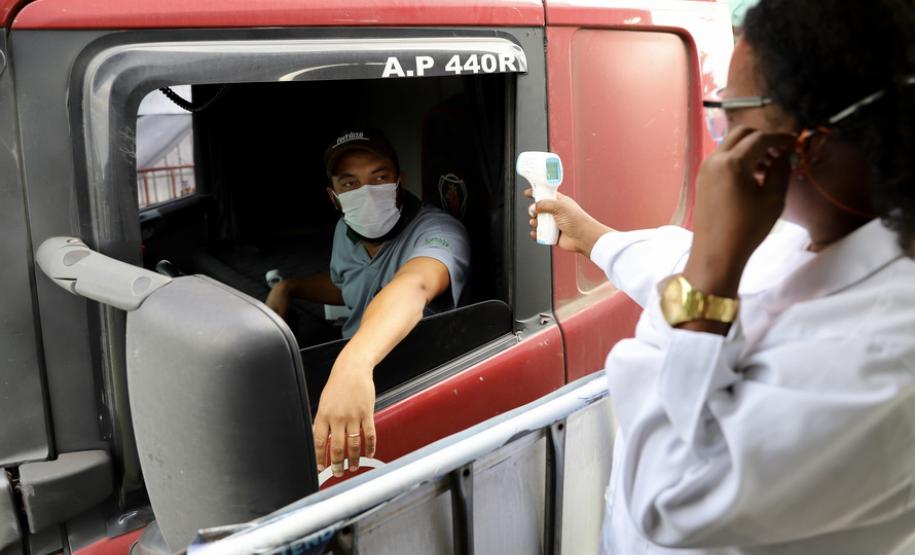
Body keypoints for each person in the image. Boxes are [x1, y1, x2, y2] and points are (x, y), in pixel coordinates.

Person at [529, 1, 915, 552]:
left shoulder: (885, 355)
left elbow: (668, 498)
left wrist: (708, 278)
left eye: (731, 112)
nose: (720, 133)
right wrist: (594, 236)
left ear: (807, 144)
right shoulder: (808, 236)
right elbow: (677, 263)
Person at [266, 129, 470, 478]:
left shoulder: (438, 231)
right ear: (334, 197)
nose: (367, 191)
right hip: (351, 371)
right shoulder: (345, 232)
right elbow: (348, 284)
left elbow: (414, 285)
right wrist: (291, 287)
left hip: (402, 376)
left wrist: (354, 362)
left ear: (399, 182)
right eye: (350, 184)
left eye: (379, 177)